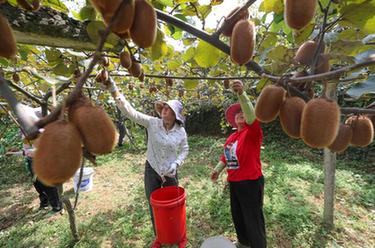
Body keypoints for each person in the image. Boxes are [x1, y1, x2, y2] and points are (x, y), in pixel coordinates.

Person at [103, 78, 189, 247]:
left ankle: (180, 235)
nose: (164, 110)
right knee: (154, 204)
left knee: (176, 205)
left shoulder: (181, 131)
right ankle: (159, 235)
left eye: (168, 108)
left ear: (175, 115)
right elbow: (131, 113)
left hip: (170, 171)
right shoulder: (152, 123)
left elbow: (185, 149)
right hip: (152, 168)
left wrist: (176, 163)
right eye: (164, 107)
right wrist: (114, 91)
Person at [211, 80, 266, 248]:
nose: (240, 114)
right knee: (238, 215)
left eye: (243, 112)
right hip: (234, 183)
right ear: (233, 121)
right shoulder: (231, 138)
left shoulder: (253, 132)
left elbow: (251, 116)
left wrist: (241, 94)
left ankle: (258, 245)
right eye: (237, 114)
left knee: (253, 217)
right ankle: (243, 242)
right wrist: (218, 170)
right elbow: (226, 157)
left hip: (250, 182)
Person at [10, 106, 62, 213]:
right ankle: (44, 202)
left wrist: (19, 153)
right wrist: (17, 151)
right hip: (31, 161)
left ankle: (57, 206)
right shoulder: (25, 129)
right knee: (37, 184)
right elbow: (28, 147)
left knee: (47, 183)